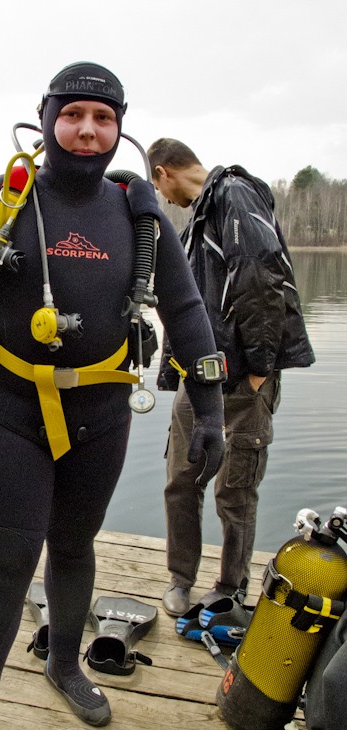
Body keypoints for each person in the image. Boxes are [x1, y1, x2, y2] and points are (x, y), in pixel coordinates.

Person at [0, 66, 226, 730]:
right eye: (73, 114)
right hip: (11, 410)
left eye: (103, 118)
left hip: (102, 412)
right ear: (46, 120)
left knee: (76, 547)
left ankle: (64, 666)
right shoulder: (2, 200)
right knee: (5, 561)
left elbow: (186, 309)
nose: (87, 130)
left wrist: (208, 409)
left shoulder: (139, 214)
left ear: (121, 129)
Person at [146, 138, 315, 617]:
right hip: (198, 378)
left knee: (234, 489)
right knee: (181, 478)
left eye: (160, 189)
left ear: (162, 174)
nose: (164, 200)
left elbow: (262, 279)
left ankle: (230, 585)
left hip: (246, 378)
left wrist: (262, 370)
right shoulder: (197, 220)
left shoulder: (234, 194)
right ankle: (180, 579)